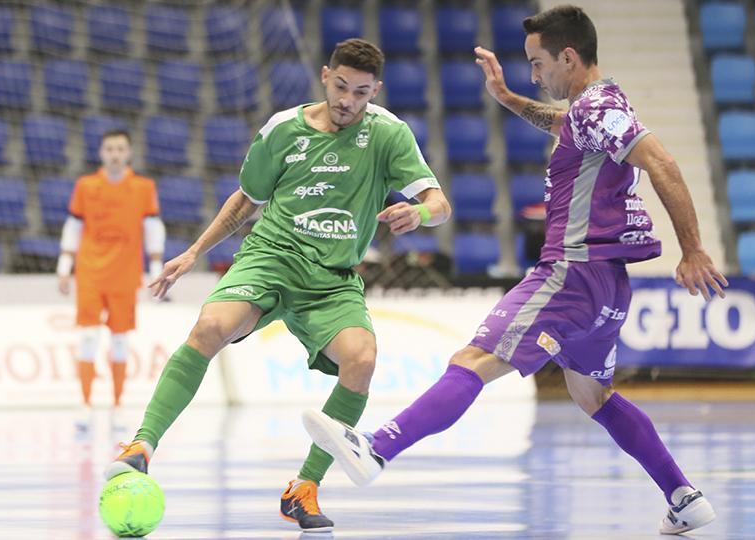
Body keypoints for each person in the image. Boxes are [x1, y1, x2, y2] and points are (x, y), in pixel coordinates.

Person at [302, 6, 728, 535]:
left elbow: (662, 162)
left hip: (571, 273)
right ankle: (683, 496)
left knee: (474, 358)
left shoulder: (595, 108)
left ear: (568, 57)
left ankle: (377, 448)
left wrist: (692, 249)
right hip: (607, 285)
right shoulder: (595, 108)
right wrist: (508, 100)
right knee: (592, 395)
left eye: (538, 63)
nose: (534, 75)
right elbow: (565, 123)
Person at [104, 38, 451, 533]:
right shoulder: (284, 129)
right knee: (209, 327)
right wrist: (193, 253)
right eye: (340, 86)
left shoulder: (388, 134)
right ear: (325, 75)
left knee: (363, 359)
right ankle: (141, 445)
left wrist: (417, 213)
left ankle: (304, 488)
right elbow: (245, 202)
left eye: (360, 92)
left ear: (376, 90)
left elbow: (441, 206)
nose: (348, 100)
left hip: (331, 279)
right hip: (271, 257)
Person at [57, 129, 166, 430]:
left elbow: (153, 227)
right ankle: (85, 404)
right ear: (101, 153)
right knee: (89, 337)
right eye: (109, 149)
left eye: (120, 148)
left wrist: (156, 267)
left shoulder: (143, 188)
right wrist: (64, 265)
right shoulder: (86, 186)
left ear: (128, 153)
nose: (115, 154)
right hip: (91, 271)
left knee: (119, 339)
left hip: (125, 273)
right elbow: (74, 225)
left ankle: (118, 404)